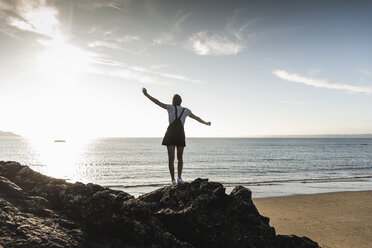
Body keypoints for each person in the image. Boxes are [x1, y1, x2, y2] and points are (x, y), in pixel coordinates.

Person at [142, 87, 211, 185]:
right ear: (181, 101)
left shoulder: (170, 107)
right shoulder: (186, 110)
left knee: (171, 158)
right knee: (180, 158)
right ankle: (179, 178)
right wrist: (206, 123)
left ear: (173, 101)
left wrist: (146, 94)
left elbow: (157, 102)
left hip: (170, 134)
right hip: (180, 134)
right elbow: (197, 118)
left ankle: (173, 180)